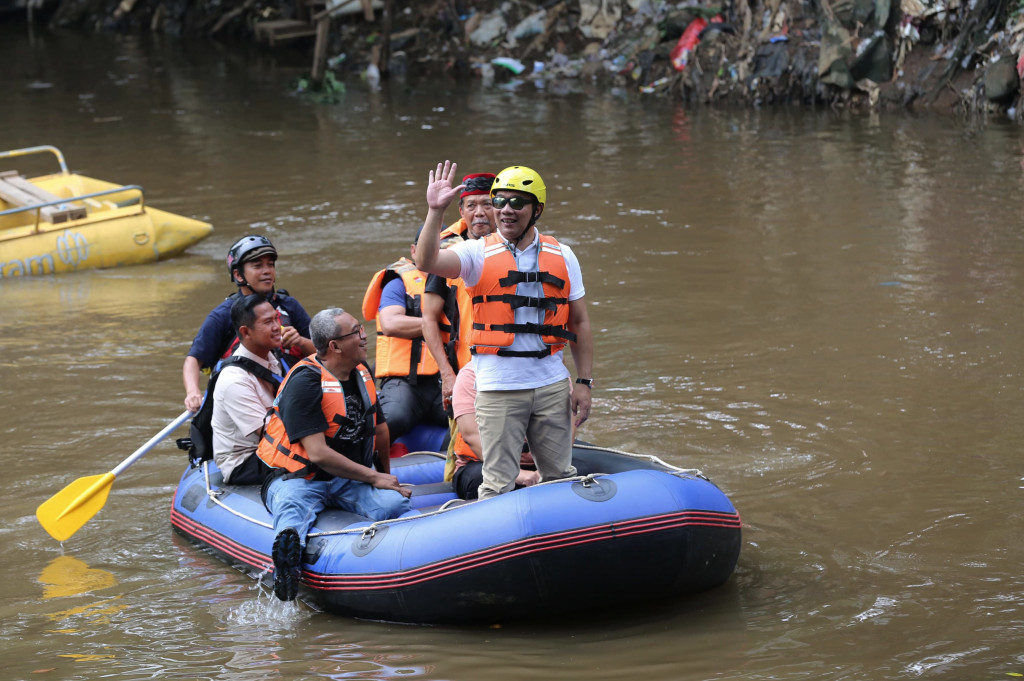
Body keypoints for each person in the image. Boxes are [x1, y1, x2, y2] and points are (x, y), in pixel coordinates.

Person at [415, 161, 595, 500]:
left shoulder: (564, 255)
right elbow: (427, 261)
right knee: (497, 484)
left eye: (517, 202)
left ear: (537, 209)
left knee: (560, 477)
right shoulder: (476, 253)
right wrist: (435, 211)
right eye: (499, 202)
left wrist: (584, 382)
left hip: (551, 385)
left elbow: (580, 322)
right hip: (499, 389)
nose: (505, 210)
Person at [256, 307, 412, 601]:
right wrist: (373, 476)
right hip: (299, 479)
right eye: (356, 332)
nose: (365, 335)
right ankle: (286, 565)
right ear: (335, 346)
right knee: (291, 508)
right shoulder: (305, 383)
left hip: (349, 480)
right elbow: (318, 453)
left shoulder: (362, 372)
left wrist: (386, 475)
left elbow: (380, 431)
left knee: (394, 505)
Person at [183, 235, 315, 413]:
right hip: (245, 400)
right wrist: (193, 392)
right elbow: (193, 360)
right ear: (238, 274)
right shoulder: (223, 315)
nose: (267, 271)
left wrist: (300, 341)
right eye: (258, 266)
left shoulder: (289, 306)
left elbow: (323, 353)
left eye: (270, 264)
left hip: (292, 395)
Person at [361, 237, 448, 442]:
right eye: (427, 248)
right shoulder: (398, 282)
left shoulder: (459, 281)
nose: (433, 255)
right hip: (406, 382)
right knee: (395, 418)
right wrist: (440, 327)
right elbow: (390, 323)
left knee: (473, 420)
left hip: (446, 380)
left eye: (440, 250)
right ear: (414, 251)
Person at [421, 172, 496, 408]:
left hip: (509, 367)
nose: (480, 212)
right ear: (461, 212)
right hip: (465, 366)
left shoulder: (519, 249)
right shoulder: (447, 255)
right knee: (466, 440)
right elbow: (428, 318)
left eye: (488, 204)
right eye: (471, 205)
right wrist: (447, 374)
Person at [209, 294, 286, 485]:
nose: (277, 327)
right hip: (244, 461)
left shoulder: (273, 358)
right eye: (268, 322)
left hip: (269, 447)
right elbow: (271, 435)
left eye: (277, 318)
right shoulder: (234, 380)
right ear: (246, 332)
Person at [450, 361, 539, 499]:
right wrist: (516, 474)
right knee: (485, 480)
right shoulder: (470, 375)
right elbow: (472, 436)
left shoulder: (550, 369)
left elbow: (566, 427)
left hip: (538, 463)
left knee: (579, 472)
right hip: (482, 463)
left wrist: (549, 470)